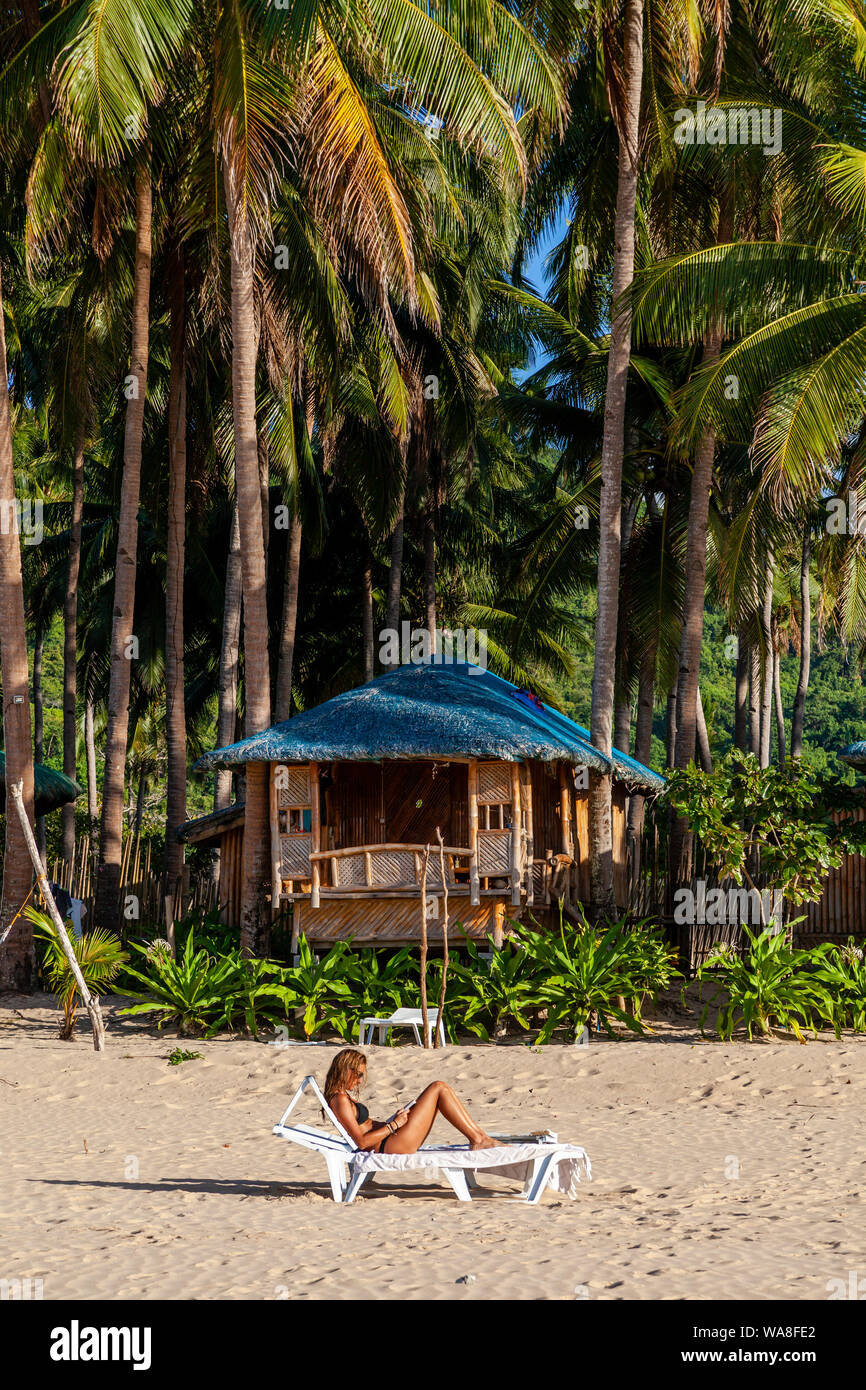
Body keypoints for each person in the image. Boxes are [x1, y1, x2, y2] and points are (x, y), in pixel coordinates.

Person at [323, 1047, 500, 1154]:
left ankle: (480, 1138)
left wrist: (394, 1121)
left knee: (440, 1089)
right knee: (438, 1087)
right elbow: (361, 1141)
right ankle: (478, 1140)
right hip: (390, 1144)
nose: (360, 1080)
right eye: (358, 1074)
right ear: (346, 1069)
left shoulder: (341, 1097)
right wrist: (394, 1125)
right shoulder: (340, 1100)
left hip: (390, 1138)